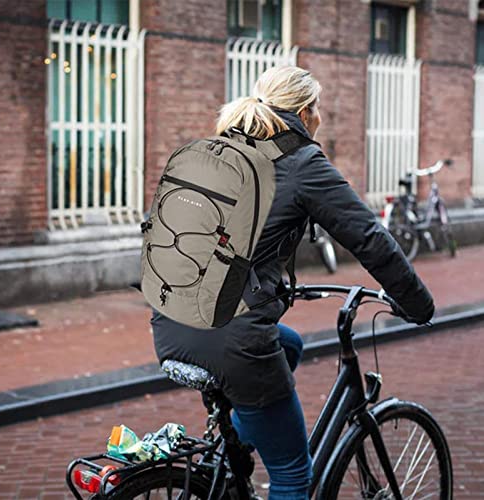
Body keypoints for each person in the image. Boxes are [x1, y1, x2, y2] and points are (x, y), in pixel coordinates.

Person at [150, 66, 434, 499]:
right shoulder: (301, 161)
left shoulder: (214, 152)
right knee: (291, 474)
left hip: (170, 321)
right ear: (304, 112)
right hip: (232, 336)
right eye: (317, 108)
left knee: (290, 345)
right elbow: (368, 237)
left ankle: (232, 453)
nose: (319, 116)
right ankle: (249, 445)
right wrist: (418, 304)